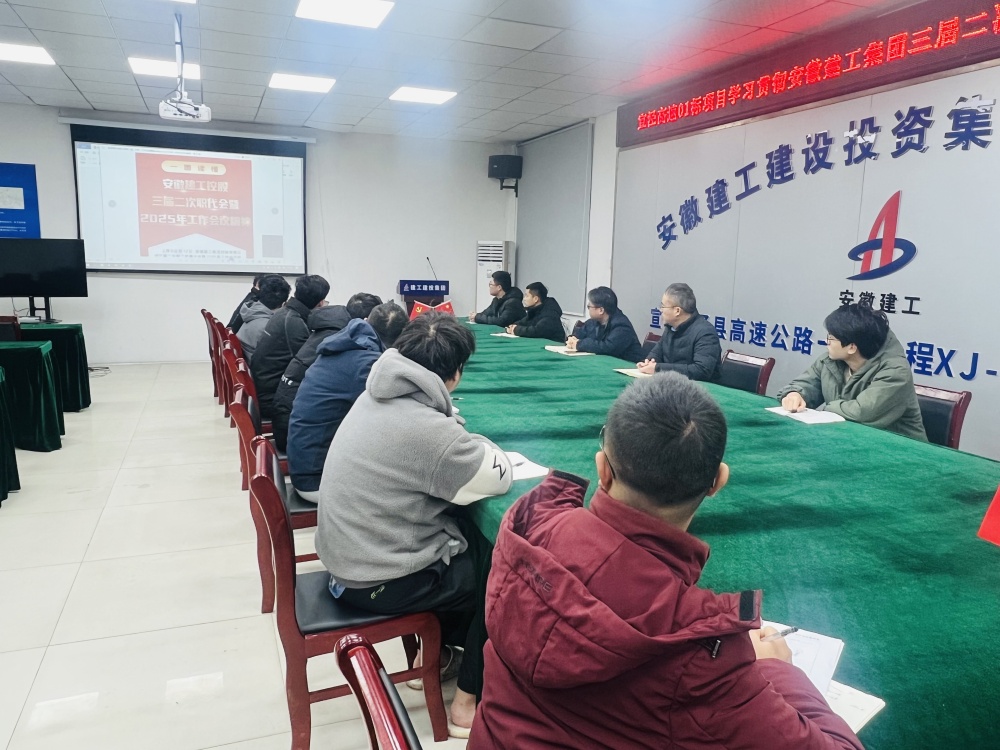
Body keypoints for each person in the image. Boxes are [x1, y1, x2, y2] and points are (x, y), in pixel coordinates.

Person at [470, 373, 864, 750]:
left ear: (602, 469)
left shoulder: (527, 529)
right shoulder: (696, 655)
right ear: (718, 482)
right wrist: (778, 670)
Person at [315, 312, 512, 737]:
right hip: (378, 580)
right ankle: (467, 702)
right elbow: (498, 476)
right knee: (501, 573)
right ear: (455, 373)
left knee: (466, 540)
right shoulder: (427, 430)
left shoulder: (374, 396)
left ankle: (436, 656)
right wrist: (474, 440)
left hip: (345, 562)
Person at [287, 301, 407, 501]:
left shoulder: (347, 343)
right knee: (411, 482)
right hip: (317, 479)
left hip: (308, 464)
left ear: (366, 321)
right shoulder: (367, 363)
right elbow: (398, 414)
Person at [777, 303, 927, 440]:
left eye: (831, 338)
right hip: (851, 439)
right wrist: (795, 394)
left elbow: (862, 413)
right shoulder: (829, 361)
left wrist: (826, 409)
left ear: (851, 347)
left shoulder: (895, 371)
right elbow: (806, 384)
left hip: (901, 449)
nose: (826, 342)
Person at [271, 293, 383, 450]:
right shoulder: (345, 343)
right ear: (366, 321)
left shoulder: (332, 332)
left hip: (288, 422)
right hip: (294, 434)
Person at [250, 274, 330, 418]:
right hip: (273, 399)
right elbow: (309, 366)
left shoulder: (284, 312)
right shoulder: (294, 322)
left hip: (265, 388)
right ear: (320, 303)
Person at [637, 282, 721, 380]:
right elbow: (657, 352)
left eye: (663, 306)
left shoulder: (705, 333)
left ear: (677, 311)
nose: (660, 310)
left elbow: (701, 370)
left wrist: (658, 368)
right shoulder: (671, 327)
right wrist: (649, 362)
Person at [566, 286, 642, 361]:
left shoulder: (621, 326)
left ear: (601, 310)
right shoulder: (593, 321)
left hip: (627, 365)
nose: (588, 309)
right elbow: (578, 335)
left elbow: (608, 348)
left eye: (589, 306)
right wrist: (571, 340)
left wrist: (580, 344)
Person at [234, 275, 290, 364]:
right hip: (258, 368)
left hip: (249, 364)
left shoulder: (251, 311)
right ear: (284, 304)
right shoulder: (268, 327)